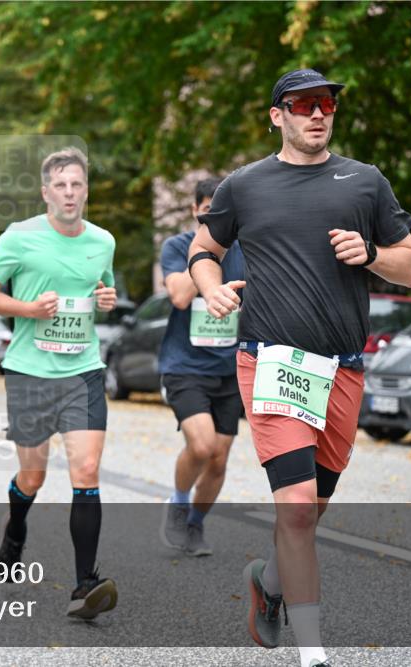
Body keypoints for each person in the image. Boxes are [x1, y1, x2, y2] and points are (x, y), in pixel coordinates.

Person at [188, 69, 411, 667]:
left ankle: (268, 581)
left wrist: (371, 254)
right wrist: (209, 287)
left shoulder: (364, 182)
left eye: (326, 103)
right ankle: (312, 653)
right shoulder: (245, 185)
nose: (317, 114)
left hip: (341, 369)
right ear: (277, 115)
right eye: (302, 105)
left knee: (310, 512)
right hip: (270, 361)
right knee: (294, 504)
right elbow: (203, 250)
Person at [0, 147, 119, 619]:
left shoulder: (103, 241)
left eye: (77, 184)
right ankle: (15, 529)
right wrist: (29, 310)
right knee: (33, 475)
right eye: (61, 185)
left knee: (87, 469)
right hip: (30, 370)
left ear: (86, 191)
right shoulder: (19, 237)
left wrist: (107, 299)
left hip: (83, 369)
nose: (70, 192)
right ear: (45, 192)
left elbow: (103, 292)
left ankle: (84, 585)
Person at [157, 176, 246, 557]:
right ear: (196, 210)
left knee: (220, 457)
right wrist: (206, 260)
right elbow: (178, 295)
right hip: (185, 366)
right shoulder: (177, 247)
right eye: (209, 211)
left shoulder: (245, 249)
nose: (216, 218)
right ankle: (178, 502)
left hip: (230, 368)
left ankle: (194, 524)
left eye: (222, 212)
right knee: (203, 444)